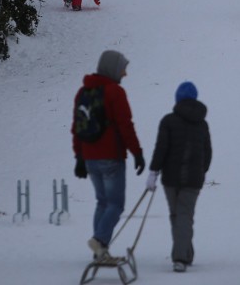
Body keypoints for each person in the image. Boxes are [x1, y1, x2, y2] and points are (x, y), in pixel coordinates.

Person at [72, 50, 146, 263]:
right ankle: (100, 241)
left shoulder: (83, 92)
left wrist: (79, 157)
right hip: (111, 157)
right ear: (113, 68)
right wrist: (137, 153)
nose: (125, 73)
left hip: (90, 157)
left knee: (102, 203)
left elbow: (77, 126)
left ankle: (100, 252)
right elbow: (125, 125)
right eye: (123, 68)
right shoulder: (115, 92)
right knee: (116, 204)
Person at [145, 82, 212, 273]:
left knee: (178, 216)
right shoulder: (202, 123)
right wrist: (202, 170)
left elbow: (161, 148)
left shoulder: (168, 121)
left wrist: (153, 172)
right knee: (183, 216)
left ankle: (180, 258)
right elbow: (208, 152)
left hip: (171, 179)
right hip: (193, 180)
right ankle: (186, 253)